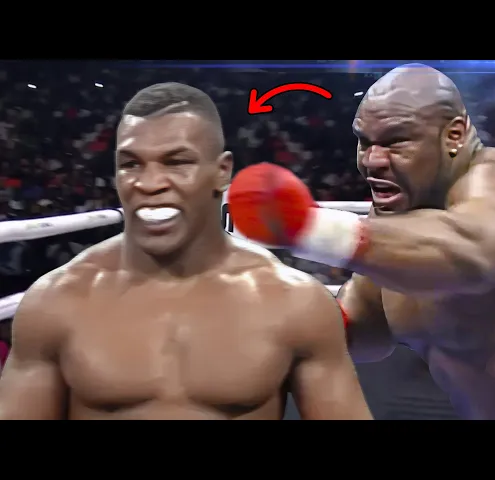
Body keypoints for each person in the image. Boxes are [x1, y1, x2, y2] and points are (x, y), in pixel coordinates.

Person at [227, 64, 495, 420]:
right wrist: (281, 321)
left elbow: (471, 252)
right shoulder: (395, 225)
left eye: (395, 141)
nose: (372, 160)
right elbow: (366, 326)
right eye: (365, 141)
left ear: (454, 134)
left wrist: (306, 226)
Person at [0, 83, 372, 420]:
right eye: (131, 164)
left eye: (177, 162)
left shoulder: (295, 302)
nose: (150, 183)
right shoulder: (56, 301)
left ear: (222, 172)